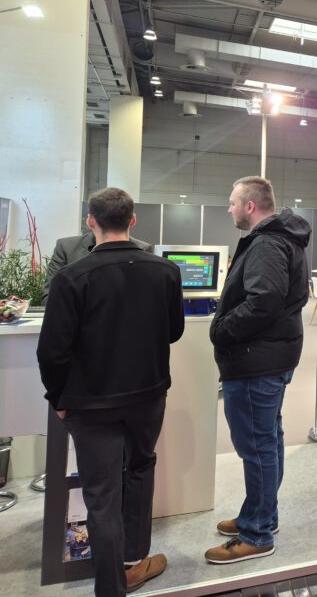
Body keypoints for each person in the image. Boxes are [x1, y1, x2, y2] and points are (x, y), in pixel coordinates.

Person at [37, 187, 184, 597]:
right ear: (132, 220)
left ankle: (111, 587)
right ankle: (134, 561)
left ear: (91, 222)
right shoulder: (166, 271)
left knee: (101, 495)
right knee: (140, 470)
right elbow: (173, 331)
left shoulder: (71, 277)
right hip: (149, 397)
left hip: (91, 405)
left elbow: (52, 352)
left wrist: (58, 400)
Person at [204, 176, 311, 565]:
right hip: (270, 355)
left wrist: (221, 330)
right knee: (267, 439)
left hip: (256, 359)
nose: (229, 208)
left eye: (233, 202)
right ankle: (261, 514)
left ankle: (257, 533)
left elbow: (264, 301)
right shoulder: (280, 238)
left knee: (258, 446)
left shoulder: (267, 243)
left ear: (250, 205)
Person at [43, 224, 153, 304]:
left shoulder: (143, 249)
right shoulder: (66, 248)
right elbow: (49, 298)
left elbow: (145, 299)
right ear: (90, 221)